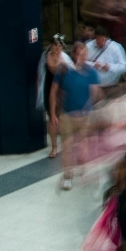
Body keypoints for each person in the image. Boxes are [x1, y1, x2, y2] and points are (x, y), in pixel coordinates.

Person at [51, 42, 102, 190]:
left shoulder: (91, 73)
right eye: (80, 54)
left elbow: (95, 94)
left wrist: (92, 109)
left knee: (83, 148)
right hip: (67, 115)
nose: (83, 56)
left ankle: (83, 167)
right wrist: (54, 113)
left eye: (85, 53)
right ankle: (67, 177)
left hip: (85, 116)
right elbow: (54, 91)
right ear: (74, 54)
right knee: (66, 147)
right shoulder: (64, 70)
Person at [37, 36, 73, 158]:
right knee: (52, 116)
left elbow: (71, 76)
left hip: (62, 87)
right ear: (51, 45)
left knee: (63, 117)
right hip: (48, 86)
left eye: (59, 45)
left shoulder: (66, 60)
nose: (56, 48)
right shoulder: (45, 55)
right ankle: (54, 147)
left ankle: (67, 144)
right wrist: (38, 89)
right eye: (54, 45)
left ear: (62, 47)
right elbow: (40, 73)